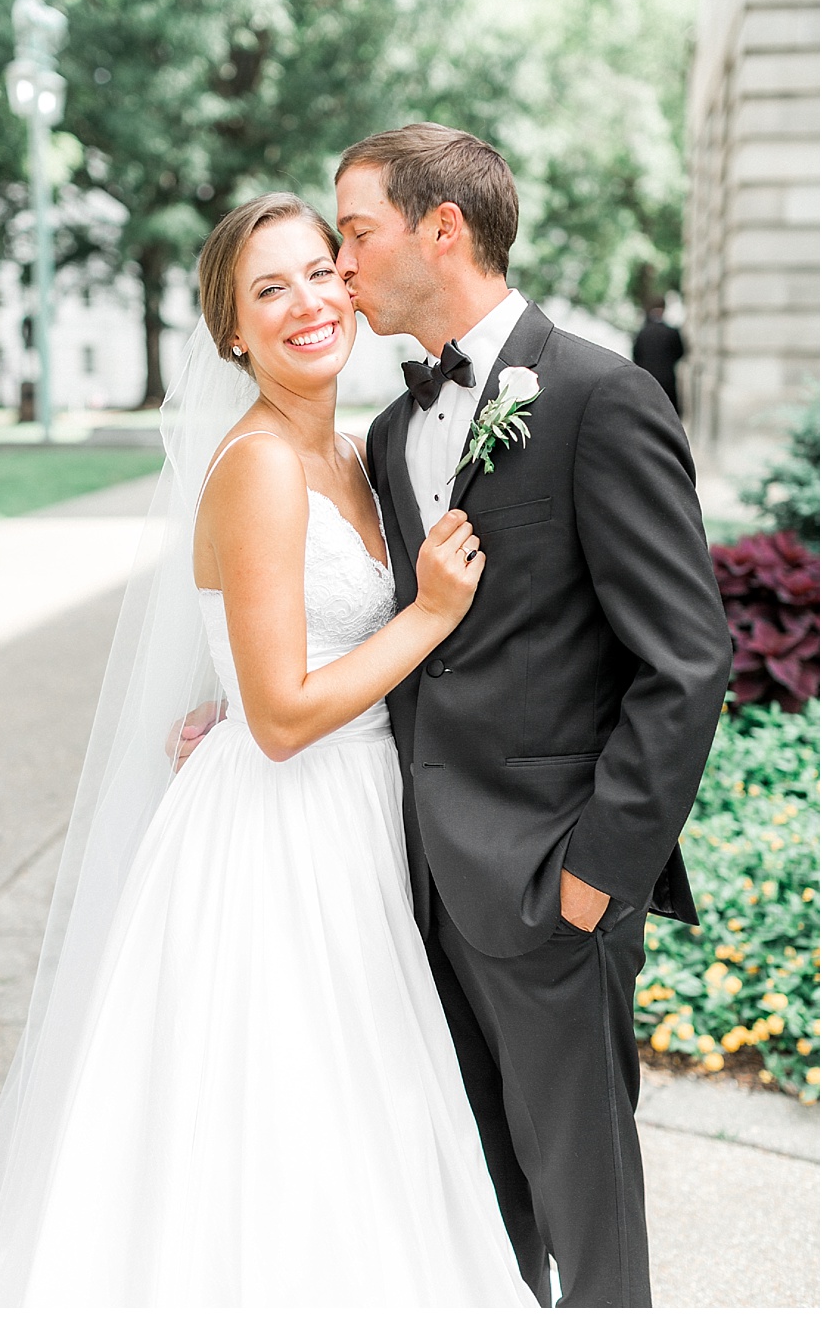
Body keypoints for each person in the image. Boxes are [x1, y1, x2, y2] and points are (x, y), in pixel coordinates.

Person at [0, 192, 538, 1306]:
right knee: (294, 1103)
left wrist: (228, 687)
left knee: (360, 1100)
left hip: (356, 804)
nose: (308, 303)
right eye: (270, 290)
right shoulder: (259, 461)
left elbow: (282, 643)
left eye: (320, 272)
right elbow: (283, 716)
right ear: (231, 332)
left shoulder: (354, 451)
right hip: (284, 826)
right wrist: (428, 615)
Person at [330, 124, 728, 1305]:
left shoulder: (603, 399)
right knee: (475, 1214)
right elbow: (407, 637)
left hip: (554, 888)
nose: (341, 265)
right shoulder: (392, 435)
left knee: (589, 1225)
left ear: (441, 229)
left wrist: (597, 875)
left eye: (357, 233)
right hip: (422, 889)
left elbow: (685, 660)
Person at [632, 299, 686, 416]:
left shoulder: (642, 333)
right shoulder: (672, 332)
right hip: (667, 379)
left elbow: (636, 356)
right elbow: (681, 352)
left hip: (647, 379)